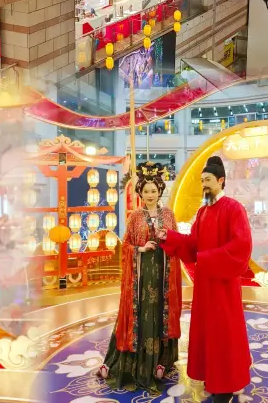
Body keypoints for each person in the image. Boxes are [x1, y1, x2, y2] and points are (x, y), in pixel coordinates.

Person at [156, 156, 252, 403]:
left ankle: (227, 385)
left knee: (224, 333)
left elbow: (241, 246)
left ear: (221, 180)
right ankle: (213, 378)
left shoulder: (234, 208)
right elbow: (192, 245)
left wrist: (206, 258)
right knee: (210, 333)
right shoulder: (203, 212)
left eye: (208, 180)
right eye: (202, 181)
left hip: (223, 285)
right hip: (205, 286)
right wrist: (170, 236)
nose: (204, 185)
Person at [98, 163, 181, 392]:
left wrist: (168, 238)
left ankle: (161, 362)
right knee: (142, 315)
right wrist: (140, 249)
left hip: (162, 274)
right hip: (141, 276)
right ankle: (131, 363)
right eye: (146, 191)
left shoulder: (168, 214)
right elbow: (125, 246)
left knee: (159, 314)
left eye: (154, 191)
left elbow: (177, 242)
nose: (151, 195)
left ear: (160, 191)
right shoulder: (135, 216)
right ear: (141, 194)